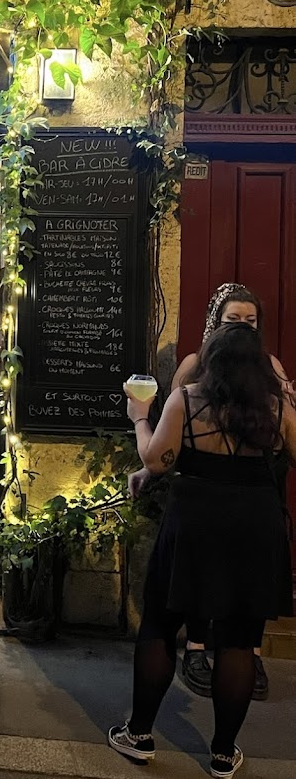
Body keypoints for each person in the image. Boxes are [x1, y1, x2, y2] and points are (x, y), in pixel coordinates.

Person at [109, 323, 296, 779]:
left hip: (194, 522)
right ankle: (223, 754)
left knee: (160, 622)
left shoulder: (187, 400)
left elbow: (155, 460)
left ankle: (139, 736)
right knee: (238, 639)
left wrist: (139, 415)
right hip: (254, 525)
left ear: (209, 357)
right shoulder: (273, 407)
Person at [154, 283, 293, 701]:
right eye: (234, 320)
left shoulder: (269, 365)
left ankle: (249, 653)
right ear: (216, 321)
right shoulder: (196, 365)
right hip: (204, 486)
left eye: (250, 321)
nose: (242, 328)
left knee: (245, 580)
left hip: (255, 484)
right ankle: (196, 647)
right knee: (203, 574)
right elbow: (171, 420)